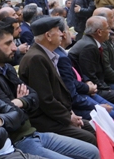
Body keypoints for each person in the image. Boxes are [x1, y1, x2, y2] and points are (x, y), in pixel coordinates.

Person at [0, 21, 100, 159]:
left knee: (93, 151)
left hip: (32, 131)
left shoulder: (8, 68)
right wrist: (23, 103)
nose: (15, 47)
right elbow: (12, 112)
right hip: (20, 139)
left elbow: (34, 96)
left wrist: (20, 102)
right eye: (8, 43)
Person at [19, 17, 98, 146]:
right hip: (45, 119)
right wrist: (68, 117)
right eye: (58, 30)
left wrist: (70, 113)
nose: (62, 34)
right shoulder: (36, 59)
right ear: (48, 36)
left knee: (94, 128)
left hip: (57, 114)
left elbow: (58, 93)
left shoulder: (45, 55)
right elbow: (45, 100)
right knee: (89, 138)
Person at [67, 16, 114, 131]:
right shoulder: (89, 46)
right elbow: (90, 75)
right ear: (99, 32)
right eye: (107, 28)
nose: (109, 31)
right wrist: (109, 87)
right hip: (93, 88)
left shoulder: (92, 42)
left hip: (96, 84)